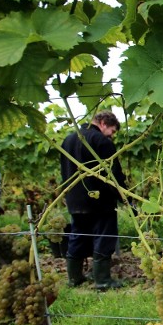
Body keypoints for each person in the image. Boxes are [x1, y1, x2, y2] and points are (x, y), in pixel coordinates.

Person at [60, 110, 127, 290]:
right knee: (104, 237)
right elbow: (114, 173)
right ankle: (102, 280)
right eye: (112, 131)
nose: (112, 136)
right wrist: (123, 195)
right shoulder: (101, 141)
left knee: (78, 236)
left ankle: (74, 278)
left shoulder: (68, 140)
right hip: (99, 200)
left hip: (74, 199)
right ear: (103, 122)